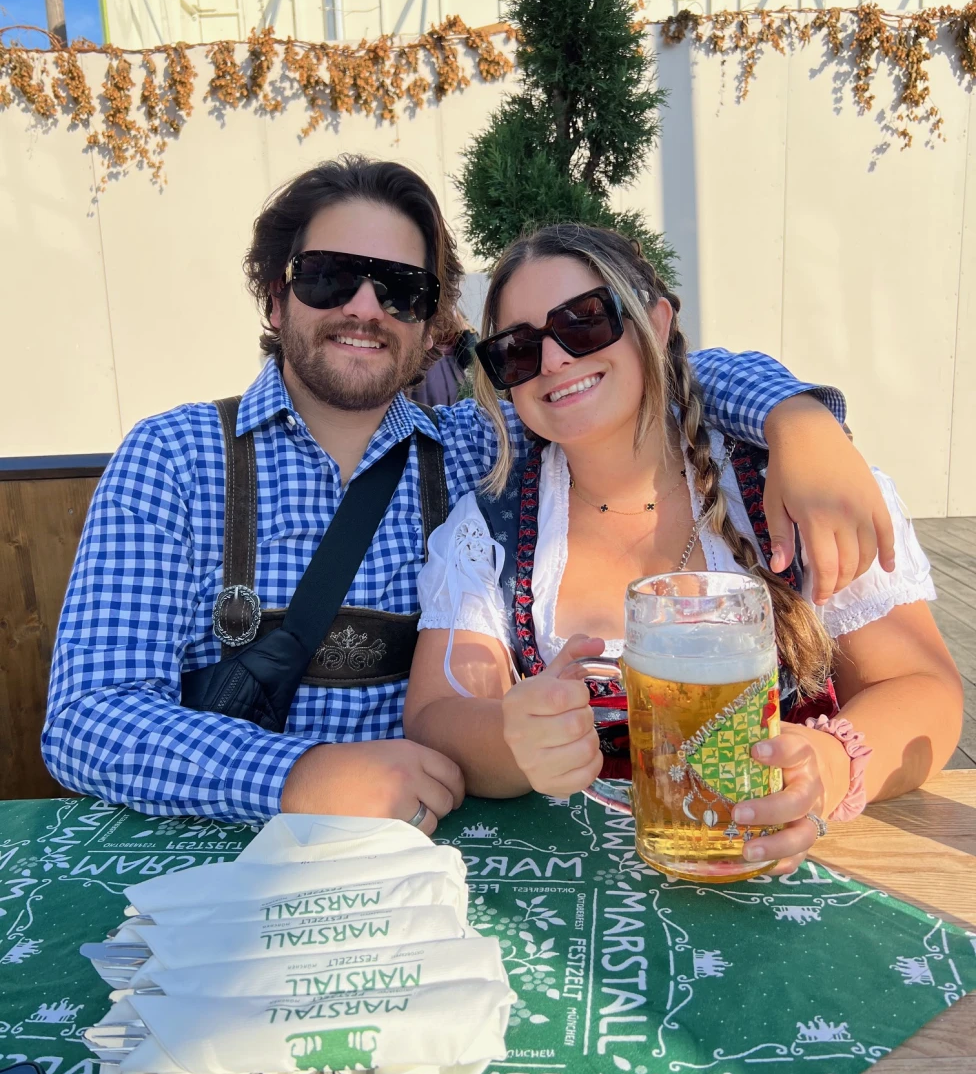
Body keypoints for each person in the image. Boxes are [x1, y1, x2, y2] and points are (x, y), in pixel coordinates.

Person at [44, 158, 896, 834]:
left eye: (401, 288)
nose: (366, 306)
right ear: (276, 295)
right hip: (212, 854)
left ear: (431, 323)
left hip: (428, 857)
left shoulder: (480, 447)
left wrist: (795, 419)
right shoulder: (176, 457)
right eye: (332, 276)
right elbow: (88, 718)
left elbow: (639, 381)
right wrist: (299, 776)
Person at [404, 224, 963, 869]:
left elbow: (924, 688)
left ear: (657, 322)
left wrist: (829, 767)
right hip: (590, 900)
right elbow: (437, 714)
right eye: (518, 350)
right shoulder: (491, 525)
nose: (554, 360)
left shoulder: (778, 491)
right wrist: (514, 739)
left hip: (791, 875)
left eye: (583, 321)